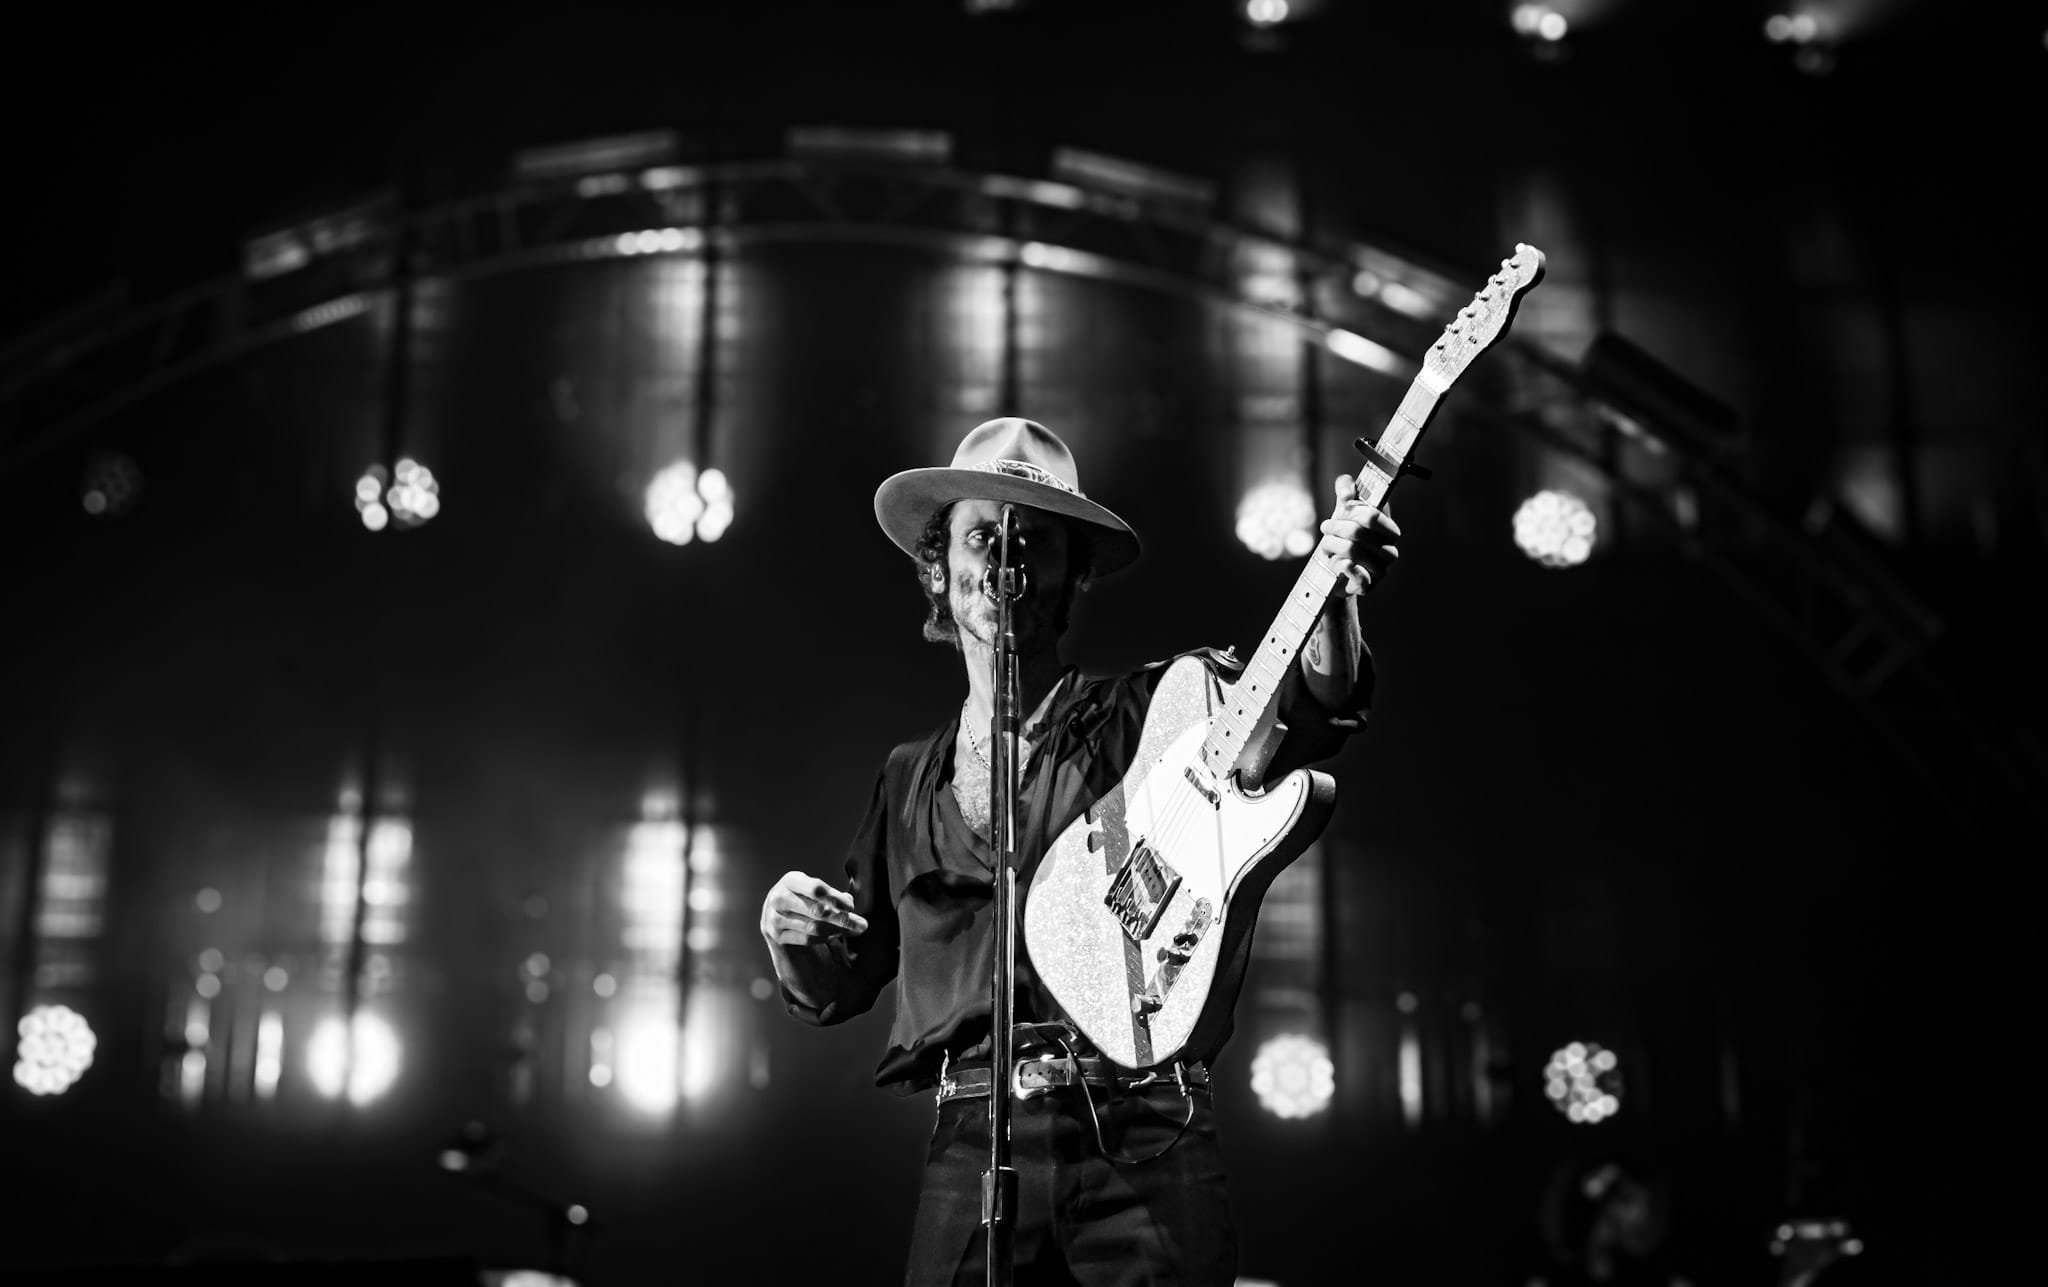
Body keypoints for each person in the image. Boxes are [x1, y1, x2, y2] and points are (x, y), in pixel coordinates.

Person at [758, 417, 1399, 1285]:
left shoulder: (1154, 711)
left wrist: (1340, 592)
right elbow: (841, 983)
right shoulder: (909, 775)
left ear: (1073, 572)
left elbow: (1309, 713)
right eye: (981, 535)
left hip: (1142, 1130)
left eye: (1035, 540)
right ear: (939, 568)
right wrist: (788, 935)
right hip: (971, 1143)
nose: (1006, 558)